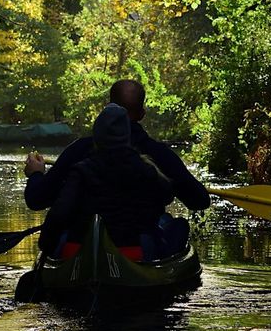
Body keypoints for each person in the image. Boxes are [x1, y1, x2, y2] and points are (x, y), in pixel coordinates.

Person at [24, 79, 209, 254]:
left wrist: (36, 174)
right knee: (175, 225)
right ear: (142, 114)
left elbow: (38, 200)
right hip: (136, 246)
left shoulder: (79, 154)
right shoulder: (155, 160)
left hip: (81, 242)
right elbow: (198, 201)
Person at [37, 104, 173, 261]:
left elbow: (59, 213)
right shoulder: (147, 170)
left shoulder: (81, 171)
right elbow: (166, 197)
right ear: (127, 136)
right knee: (174, 225)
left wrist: (46, 246)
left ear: (97, 136)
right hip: (134, 252)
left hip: (79, 249)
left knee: (64, 234)